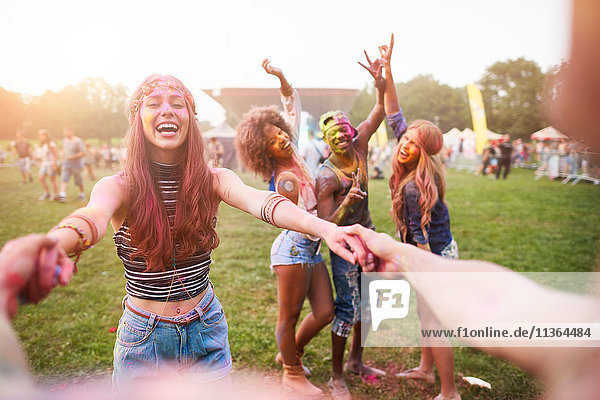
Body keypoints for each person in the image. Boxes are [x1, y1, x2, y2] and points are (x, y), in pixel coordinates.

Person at [7, 74, 365, 391]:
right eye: (154, 103)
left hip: (206, 327)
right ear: (138, 119)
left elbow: (265, 203)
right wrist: (52, 242)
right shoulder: (119, 185)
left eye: (177, 104)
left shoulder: (215, 179)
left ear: (190, 121)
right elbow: (93, 216)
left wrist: (326, 229)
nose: (166, 110)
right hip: (144, 338)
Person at [235, 59, 334, 396]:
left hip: (311, 247)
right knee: (288, 316)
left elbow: (293, 108)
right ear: (263, 151)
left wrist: (281, 78)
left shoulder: (299, 154)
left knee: (324, 312)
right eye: (274, 140)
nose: (282, 139)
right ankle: (291, 373)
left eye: (280, 133)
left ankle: (290, 352)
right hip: (293, 248)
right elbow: (291, 213)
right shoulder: (283, 177)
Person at [315, 35, 406, 398]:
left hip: (369, 234)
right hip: (344, 244)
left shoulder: (361, 143)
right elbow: (327, 226)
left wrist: (380, 79)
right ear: (326, 141)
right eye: (334, 134)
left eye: (345, 130)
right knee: (348, 306)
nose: (342, 137)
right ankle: (336, 375)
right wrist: (348, 200)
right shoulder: (326, 176)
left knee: (367, 305)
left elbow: (380, 110)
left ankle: (357, 360)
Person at [388, 120, 461, 400]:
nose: (405, 145)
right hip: (442, 252)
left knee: (434, 323)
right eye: (405, 138)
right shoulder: (428, 174)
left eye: (414, 144)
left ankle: (450, 393)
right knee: (425, 317)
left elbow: (419, 235)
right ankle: (426, 369)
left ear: (423, 153)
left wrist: (426, 272)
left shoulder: (412, 188)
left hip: (430, 257)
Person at [58, 127, 86, 202]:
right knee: (64, 178)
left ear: (72, 132)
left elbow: (83, 153)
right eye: (64, 131)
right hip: (66, 164)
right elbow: (64, 151)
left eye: (67, 131)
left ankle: (81, 194)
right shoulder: (64, 140)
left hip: (76, 164)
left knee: (79, 180)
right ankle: (62, 195)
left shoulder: (78, 141)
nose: (65, 133)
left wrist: (73, 156)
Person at [37, 129, 60, 201]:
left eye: (41, 135)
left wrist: (54, 164)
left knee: (52, 179)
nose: (40, 137)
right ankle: (47, 193)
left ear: (46, 136)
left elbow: (56, 154)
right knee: (41, 177)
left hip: (51, 163)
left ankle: (55, 195)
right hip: (45, 164)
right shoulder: (43, 144)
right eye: (39, 135)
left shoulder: (51, 144)